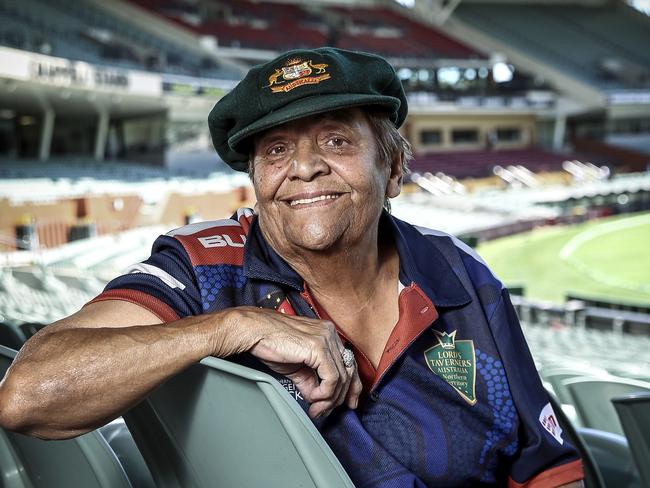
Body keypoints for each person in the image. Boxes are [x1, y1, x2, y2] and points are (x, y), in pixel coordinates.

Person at [0, 47, 584, 487]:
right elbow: (29, 394)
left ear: (396, 168)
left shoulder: (460, 273)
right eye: (276, 150)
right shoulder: (203, 268)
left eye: (335, 141)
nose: (303, 168)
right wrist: (231, 328)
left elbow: (546, 466)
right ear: (255, 178)